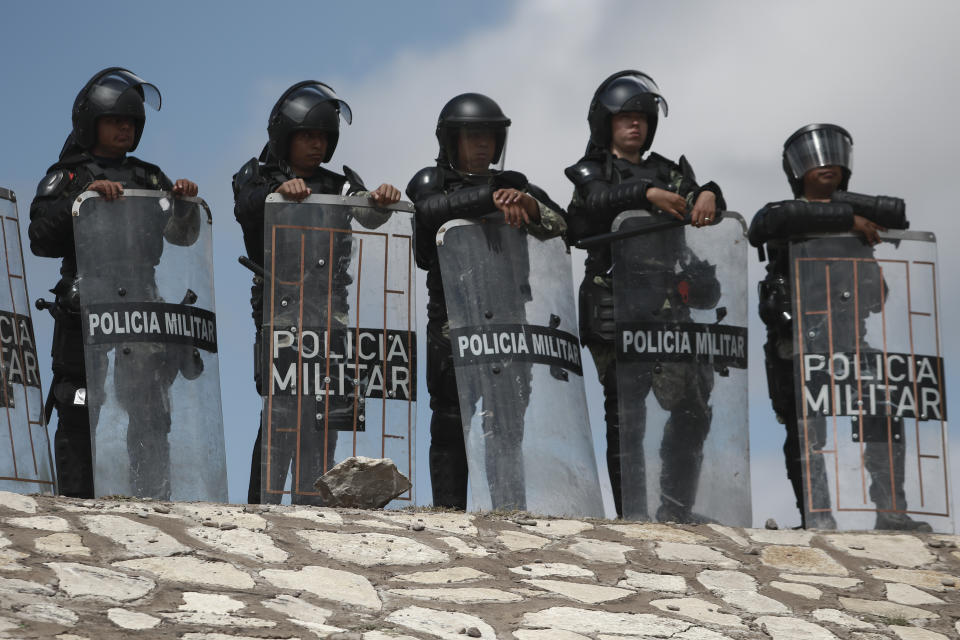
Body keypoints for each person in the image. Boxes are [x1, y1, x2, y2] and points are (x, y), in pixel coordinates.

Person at [28, 67, 199, 498]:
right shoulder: (67, 176)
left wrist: (183, 205)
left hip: (141, 306)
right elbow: (40, 239)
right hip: (86, 303)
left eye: (131, 122)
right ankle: (75, 504)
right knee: (81, 404)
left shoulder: (150, 178)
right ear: (91, 124)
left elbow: (185, 237)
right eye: (114, 120)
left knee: (149, 408)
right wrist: (79, 200)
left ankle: (150, 499)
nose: (125, 127)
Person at [749, 123, 928, 531]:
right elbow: (763, 223)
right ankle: (818, 517)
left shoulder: (863, 226)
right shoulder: (786, 218)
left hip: (851, 342)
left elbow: (877, 295)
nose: (825, 162)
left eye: (832, 155)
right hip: (797, 344)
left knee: (885, 408)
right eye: (815, 157)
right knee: (805, 432)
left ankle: (891, 512)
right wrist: (847, 220)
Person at [565, 70, 726, 522]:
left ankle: (675, 511)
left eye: (642, 117)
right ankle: (630, 515)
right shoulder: (592, 169)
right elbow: (595, 202)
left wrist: (710, 191)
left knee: (692, 409)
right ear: (606, 123)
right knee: (625, 417)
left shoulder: (668, 171)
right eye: (625, 118)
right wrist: (646, 193)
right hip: (614, 303)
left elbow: (699, 197)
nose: (635, 125)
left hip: (666, 308)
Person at [232, 80, 401, 504]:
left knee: (324, 413)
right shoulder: (257, 176)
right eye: (307, 135)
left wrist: (380, 198)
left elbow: (365, 209)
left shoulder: (337, 184)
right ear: (285, 137)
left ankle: (313, 506)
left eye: (323, 136)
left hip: (331, 316)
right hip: (281, 315)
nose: (316, 144)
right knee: (281, 413)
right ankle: (263, 507)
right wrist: (279, 192)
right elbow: (247, 204)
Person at [406, 93, 566, 510]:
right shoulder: (431, 181)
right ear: (451, 140)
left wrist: (530, 205)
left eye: (490, 137)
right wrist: (488, 199)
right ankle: (447, 516)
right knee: (449, 424)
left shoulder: (517, 185)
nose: (482, 145)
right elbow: (426, 222)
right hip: (452, 325)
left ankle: (509, 513)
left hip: (509, 324)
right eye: (472, 136)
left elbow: (566, 224)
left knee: (508, 426)